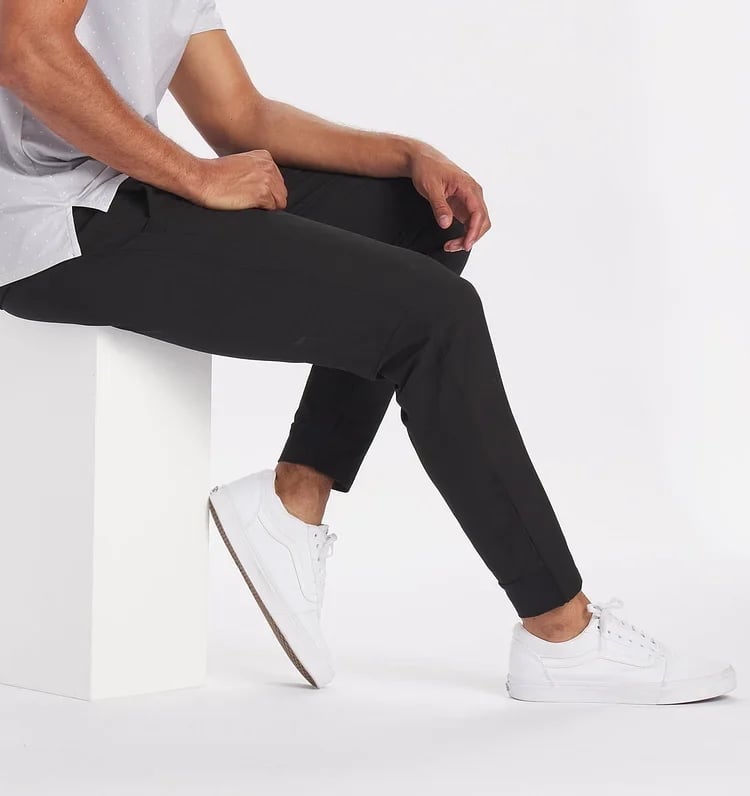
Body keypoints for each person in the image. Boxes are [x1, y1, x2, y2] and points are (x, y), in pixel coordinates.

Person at [0, 0, 736, 704]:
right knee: (435, 317)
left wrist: (408, 155)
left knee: (423, 218)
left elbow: (239, 116)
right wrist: (194, 177)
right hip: (45, 223)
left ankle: (292, 508)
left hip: (115, 188)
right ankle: (561, 633)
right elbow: (25, 47)